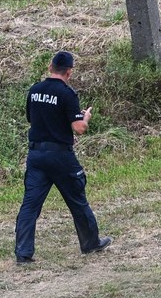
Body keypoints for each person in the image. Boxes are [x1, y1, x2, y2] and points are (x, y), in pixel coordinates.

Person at [13, 51, 111, 265]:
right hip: (60, 156)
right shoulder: (67, 94)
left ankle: (23, 253)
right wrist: (86, 117)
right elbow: (79, 128)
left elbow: (31, 118)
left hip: (36, 155)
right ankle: (91, 243)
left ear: (50, 67)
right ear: (69, 72)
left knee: (30, 205)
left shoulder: (35, 90)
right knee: (77, 200)